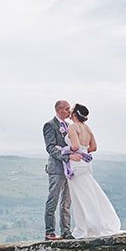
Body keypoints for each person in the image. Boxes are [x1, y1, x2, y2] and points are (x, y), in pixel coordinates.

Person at [63, 103, 121, 238]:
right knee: (89, 193)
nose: (70, 114)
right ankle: (94, 223)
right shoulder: (87, 129)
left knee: (80, 197)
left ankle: (90, 226)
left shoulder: (73, 127)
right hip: (86, 164)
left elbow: (76, 146)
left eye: (71, 112)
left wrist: (65, 150)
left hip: (76, 163)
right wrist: (84, 151)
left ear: (75, 115)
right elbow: (93, 147)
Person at [43, 100, 82, 241]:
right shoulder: (50, 125)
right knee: (53, 200)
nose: (69, 112)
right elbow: (51, 148)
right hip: (56, 168)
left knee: (66, 202)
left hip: (69, 169)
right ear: (59, 110)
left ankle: (66, 231)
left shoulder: (68, 125)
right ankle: (50, 232)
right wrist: (66, 156)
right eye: (66, 109)